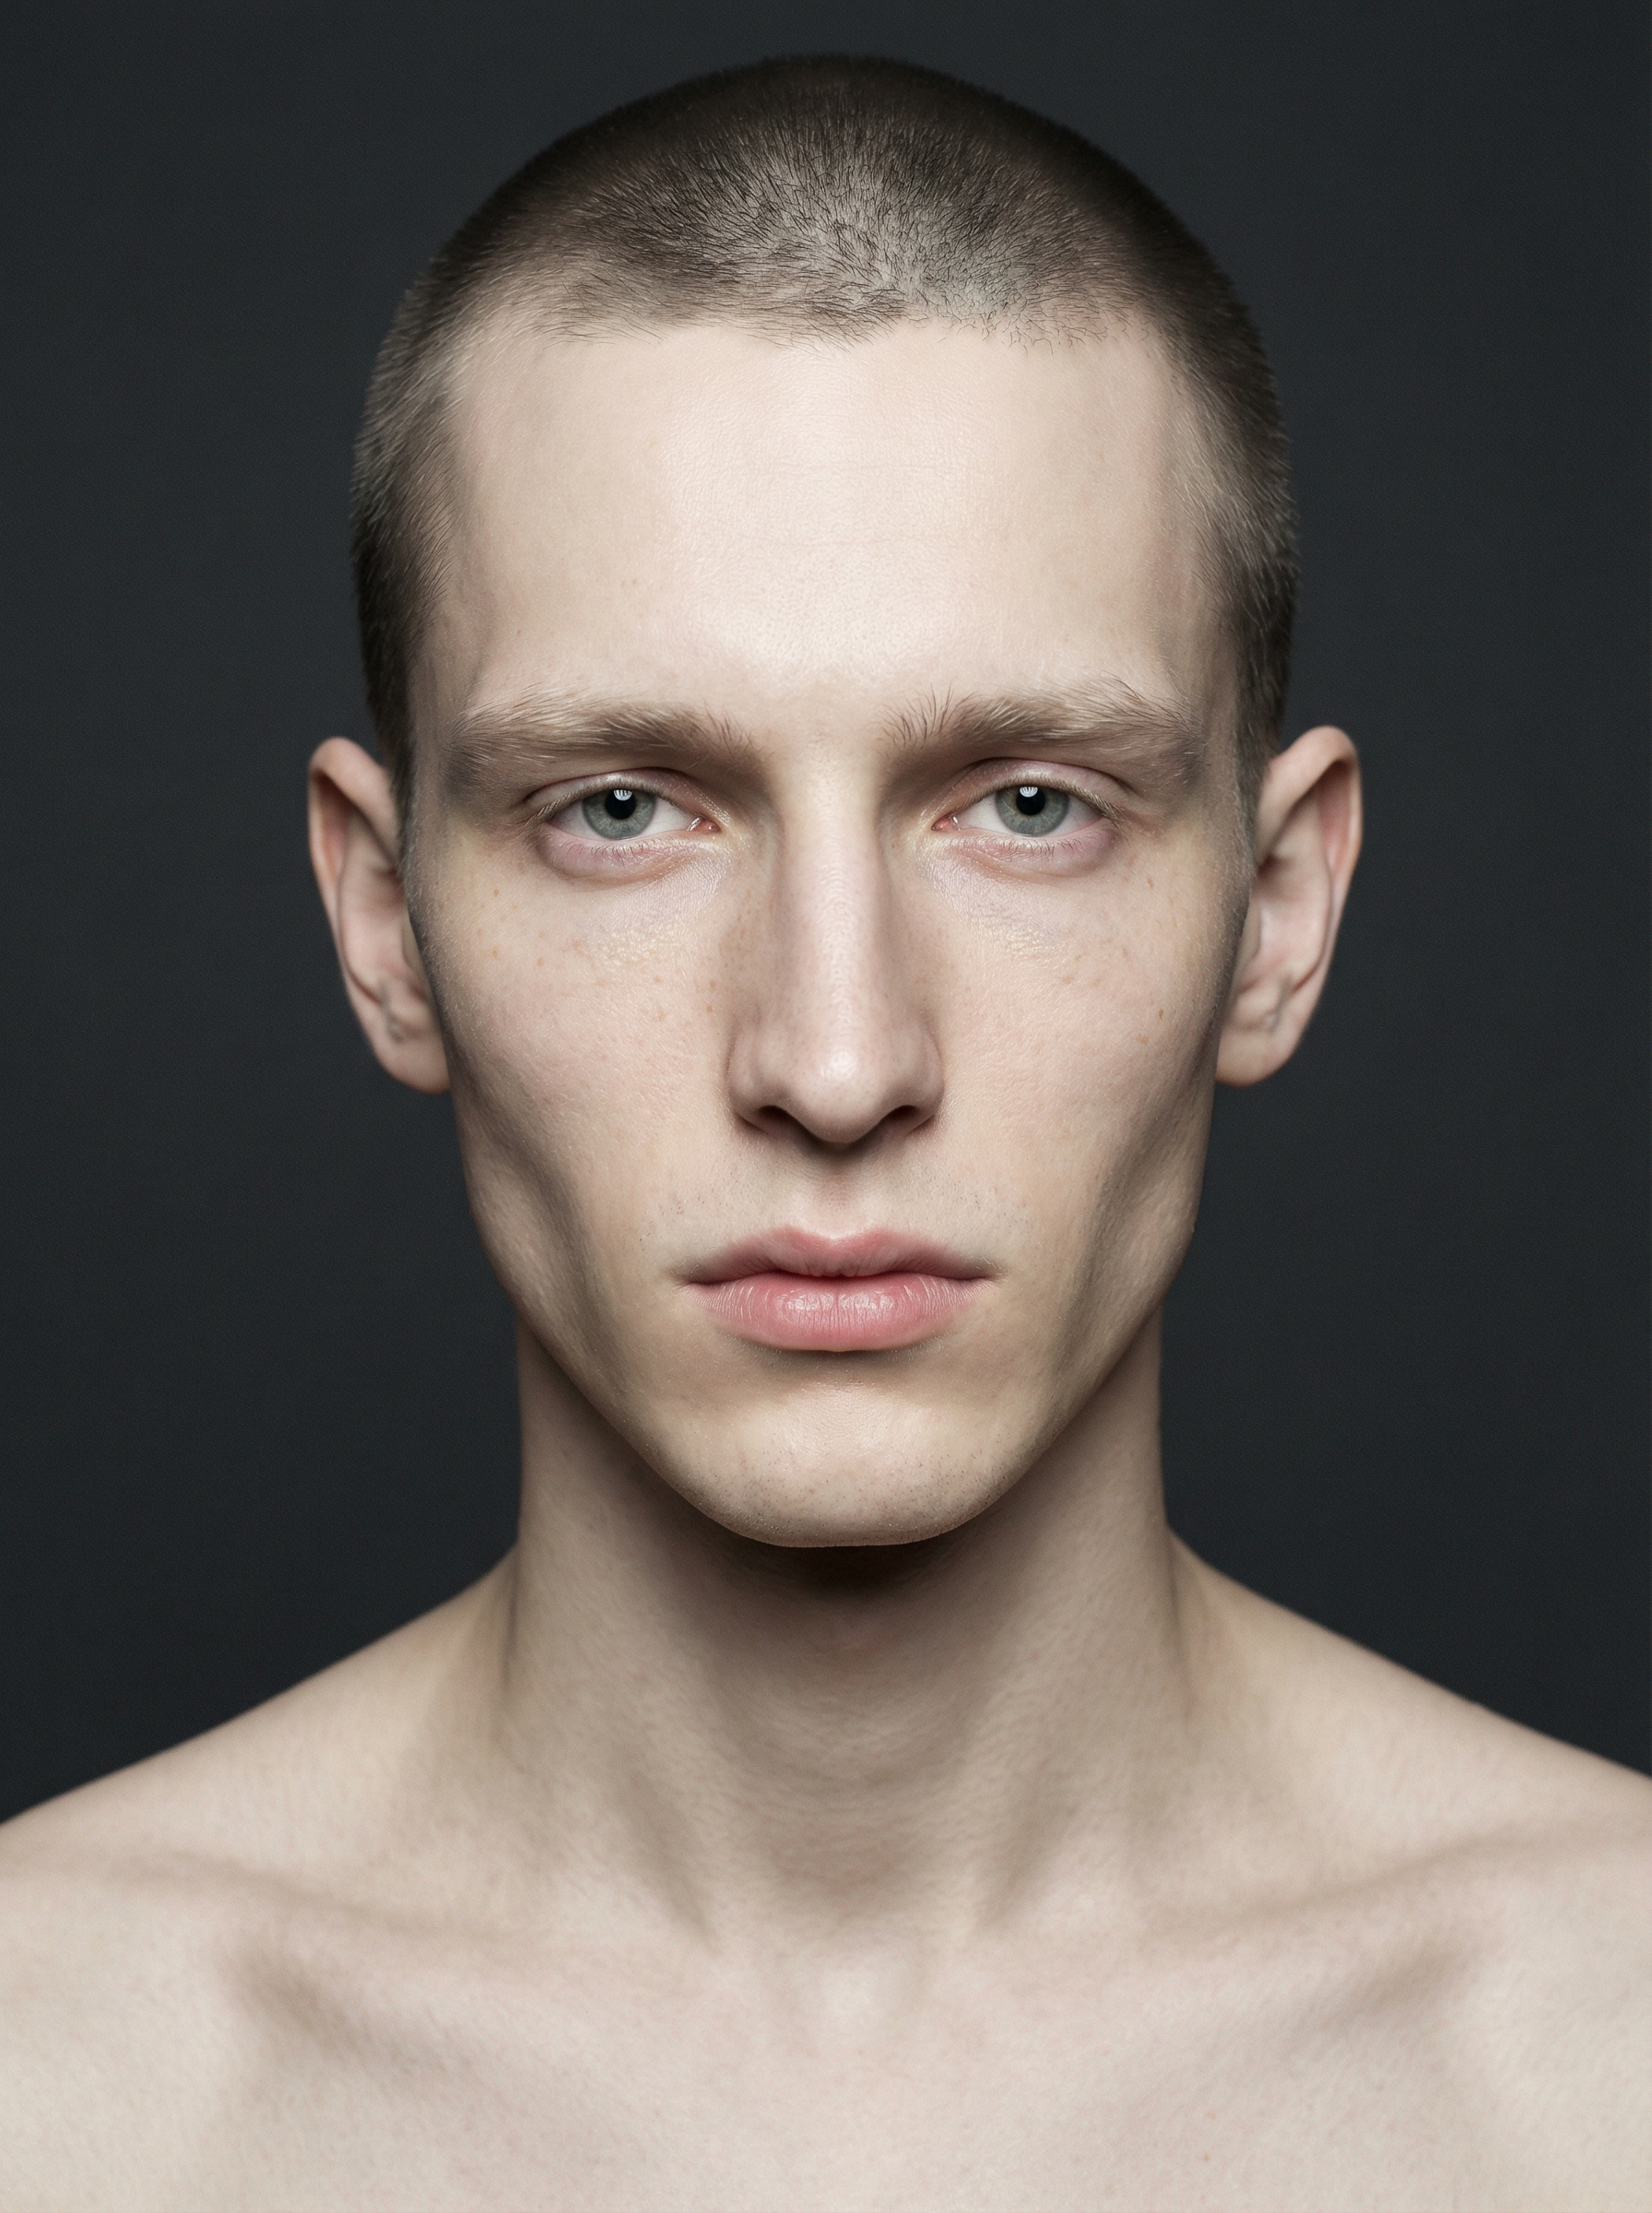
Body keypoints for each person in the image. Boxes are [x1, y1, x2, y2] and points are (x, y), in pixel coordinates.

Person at [1, 56, 1646, 2208]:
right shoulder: (53, 2083)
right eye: (621, 810)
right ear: (383, 924)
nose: (839, 1061)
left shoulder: (1602, 2062)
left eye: (1029, 806)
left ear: (1274, 912)